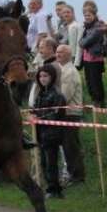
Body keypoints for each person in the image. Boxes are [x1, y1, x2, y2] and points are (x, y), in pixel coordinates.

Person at [33, 64, 68, 199]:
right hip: (42, 133)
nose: (43, 79)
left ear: (52, 77)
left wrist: (39, 118)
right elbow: (36, 108)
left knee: (51, 162)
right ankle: (51, 186)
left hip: (53, 133)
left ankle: (54, 189)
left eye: (45, 76)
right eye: (41, 76)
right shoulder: (41, 94)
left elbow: (55, 114)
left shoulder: (57, 94)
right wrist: (33, 116)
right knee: (44, 162)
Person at [55, 44, 85, 186]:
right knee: (67, 145)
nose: (58, 54)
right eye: (57, 52)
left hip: (70, 113)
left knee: (70, 145)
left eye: (61, 52)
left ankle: (77, 175)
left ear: (69, 55)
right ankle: (74, 173)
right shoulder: (62, 70)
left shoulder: (69, 72)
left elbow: (65, 95)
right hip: (66, 113)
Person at [78, 6, 106, 107]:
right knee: (89, 81)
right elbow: (81, 41)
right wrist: (82, 41)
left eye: (89, 15)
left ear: (94, 15)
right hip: (87, 59)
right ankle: (94, 100)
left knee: (96, 82)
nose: (87, 17)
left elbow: (84, 42)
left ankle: (99, 102)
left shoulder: (97, 28)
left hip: (95, 58)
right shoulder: (87, 27)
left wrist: (82, 41)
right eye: (85, 15)